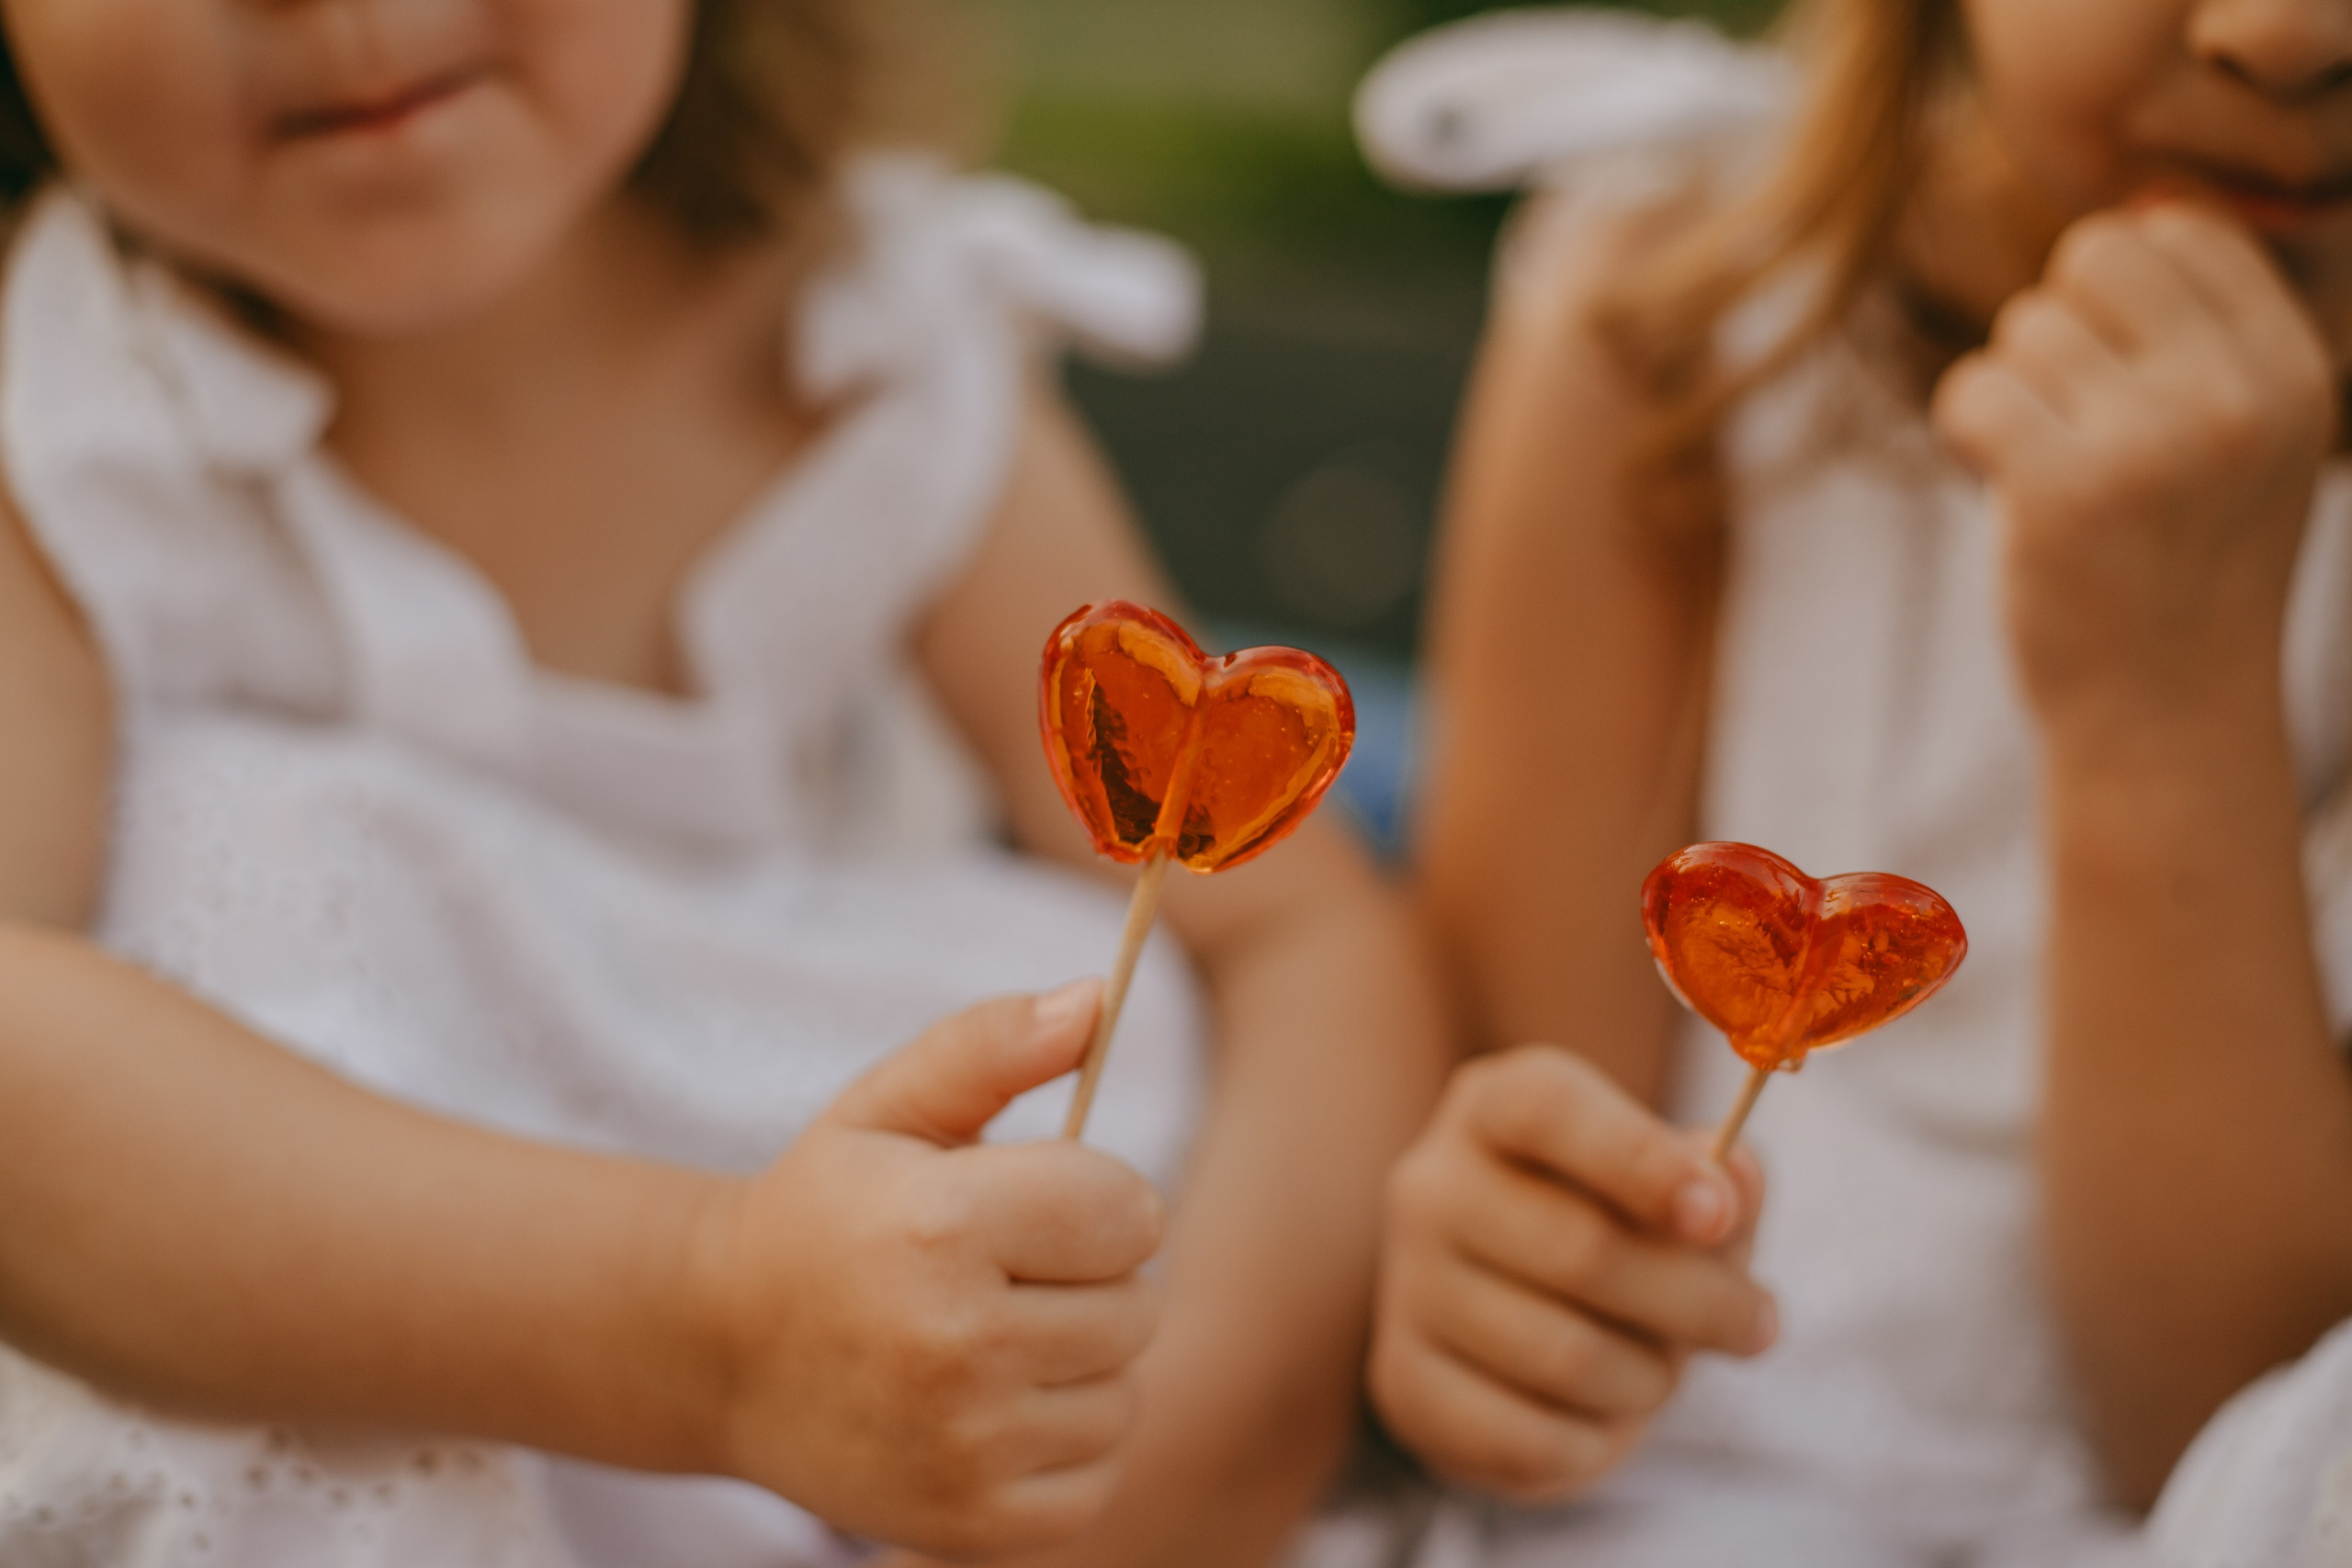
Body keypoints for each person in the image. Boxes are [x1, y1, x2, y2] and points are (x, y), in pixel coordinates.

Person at [0, 1, 1450, 1563]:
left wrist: (1191, 1455)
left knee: (1137, 1016)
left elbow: (1291, 938)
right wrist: (715, 1324)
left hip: (945, 1434)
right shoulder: (64, 425)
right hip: (365, 1389)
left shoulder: (866, 342)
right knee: (221, 882)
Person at [1358, 1, 2352, 1562]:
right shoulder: (1670, 313)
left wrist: (2161, 699)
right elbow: (1519, 1103)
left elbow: (2231, 1425)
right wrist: (1489, 1284)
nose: (2284, 35)